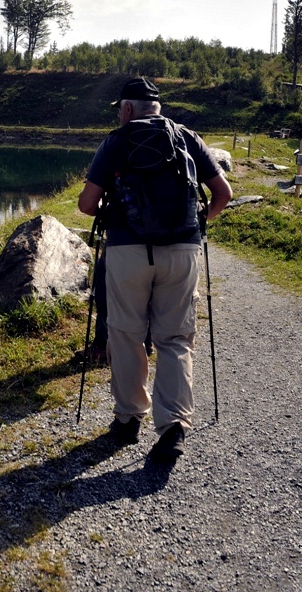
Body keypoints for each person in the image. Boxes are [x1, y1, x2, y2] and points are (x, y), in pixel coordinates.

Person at [77, 77, 232, 462]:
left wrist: (116, 217)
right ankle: (174, 427)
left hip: (127, 252)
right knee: (176, 337)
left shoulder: (115, 141)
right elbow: (224, 194)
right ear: (157, 108)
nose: (118, 113)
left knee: (126, 332)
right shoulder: (187, 138)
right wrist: (198, 224)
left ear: (128, 109)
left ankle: (129, 419)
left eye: (119, 108)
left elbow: (85, 204)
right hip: (181, 249)